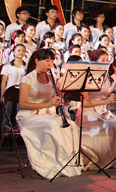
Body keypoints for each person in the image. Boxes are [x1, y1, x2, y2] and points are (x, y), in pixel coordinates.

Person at [17, 49, 82, 178]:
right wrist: (47, 104)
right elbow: (23, 104)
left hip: (47, 114)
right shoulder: (27, 79)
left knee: (71, 125)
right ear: (37, 61)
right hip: (30, 116)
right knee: (53, 124)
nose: (50, 64)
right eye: (47, 61)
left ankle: (68, 161)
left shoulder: (51, 78)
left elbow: (52, 102)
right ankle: (51, 163)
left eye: (52, 61)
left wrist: (57, 98)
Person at [76, 49, 116, 169]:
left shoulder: (106, 77)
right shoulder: (88, 76)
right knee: (106, 126)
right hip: (88, 112)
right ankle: (101, 159)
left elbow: (107, 96)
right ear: (94, 61)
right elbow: (84, 102)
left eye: (107, 60)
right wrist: (106, 101)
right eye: (102, 60)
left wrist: (113, 96)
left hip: (102, 111)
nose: (106, 63)